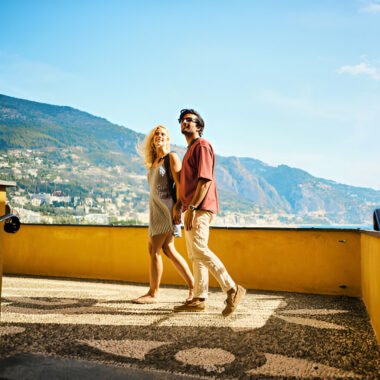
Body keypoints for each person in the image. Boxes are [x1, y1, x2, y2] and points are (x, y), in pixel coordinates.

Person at [173, 109, 246, 316]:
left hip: (200, 208)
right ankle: (199, 297)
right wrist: (181, 205)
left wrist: (193, 208)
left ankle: (232, 288)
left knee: (198, 249)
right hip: (191, 208)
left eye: (190, 120)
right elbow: (188, 183)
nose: (185, 123)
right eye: (182, 120)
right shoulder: (190, 149)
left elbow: (205, 180)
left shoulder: (202, 146)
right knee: (195, 255)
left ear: (199, 127)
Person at [132, 125, 194, 304]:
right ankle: (193, 286)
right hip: (155, 210)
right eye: (156, 134)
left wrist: (178, 208)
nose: (159, 136)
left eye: (163, 134)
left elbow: (180, 184)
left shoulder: (171, 158)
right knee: (168, 250)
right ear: (152, 139)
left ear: (168, 139)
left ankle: (153, 293)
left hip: (167, 209)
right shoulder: (154, 162)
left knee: (154, 250)